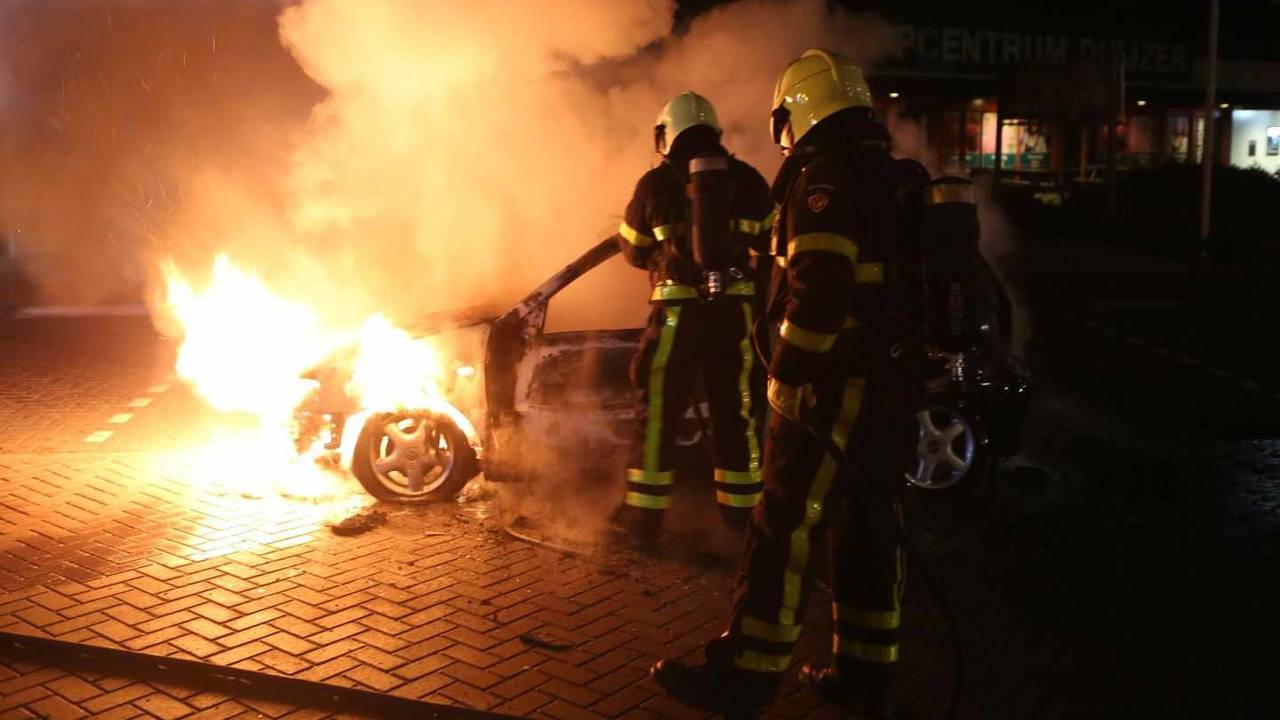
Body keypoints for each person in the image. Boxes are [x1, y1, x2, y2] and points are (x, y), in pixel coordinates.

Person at [651, 50, 933, 718]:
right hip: (889, 380)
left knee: (783, 522)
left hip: (835, 383)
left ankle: (743, 677)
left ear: (800, 111)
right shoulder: (888, 176)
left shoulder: (824, 179)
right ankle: (866, 674)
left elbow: (820, 290)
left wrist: (790, 373)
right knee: (867, 526)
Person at [610, 91, 774, 550]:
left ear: (666, 134)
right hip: (735, 316)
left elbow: (633, 250)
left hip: (676, 316)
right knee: (736, 416)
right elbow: (772, 239)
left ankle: (643, 523)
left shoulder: (654, 184)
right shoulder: (746, 179)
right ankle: (742, 520)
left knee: (658, 415)